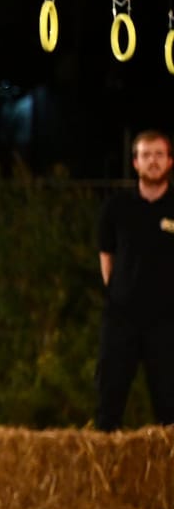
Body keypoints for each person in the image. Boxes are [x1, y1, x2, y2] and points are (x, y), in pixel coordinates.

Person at [96, 128, 174, 430]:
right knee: (108, 403)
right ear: (135, 162)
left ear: (169, 161)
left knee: (168, 405)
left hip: (167, 322)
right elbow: (107, 258)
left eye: (158, 155)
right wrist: (120, 294)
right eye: (146, 155)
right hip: (121, 319)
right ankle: (102, 470)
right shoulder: (116, 208)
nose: (152, 161)